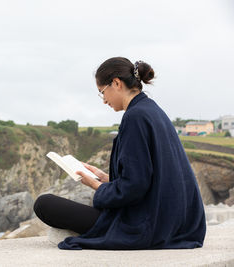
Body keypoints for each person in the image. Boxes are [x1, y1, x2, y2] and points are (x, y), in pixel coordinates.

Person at [33, 57, 206, 250]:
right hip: (178, 224)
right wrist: (106, 179)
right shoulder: (152, 110)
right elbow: (149, 177)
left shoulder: (134, 117)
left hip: (150, 226)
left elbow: (135, 186)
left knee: (44, 204)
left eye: (102, 92)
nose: (104, 100)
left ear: (116, 83)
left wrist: (97, 186)